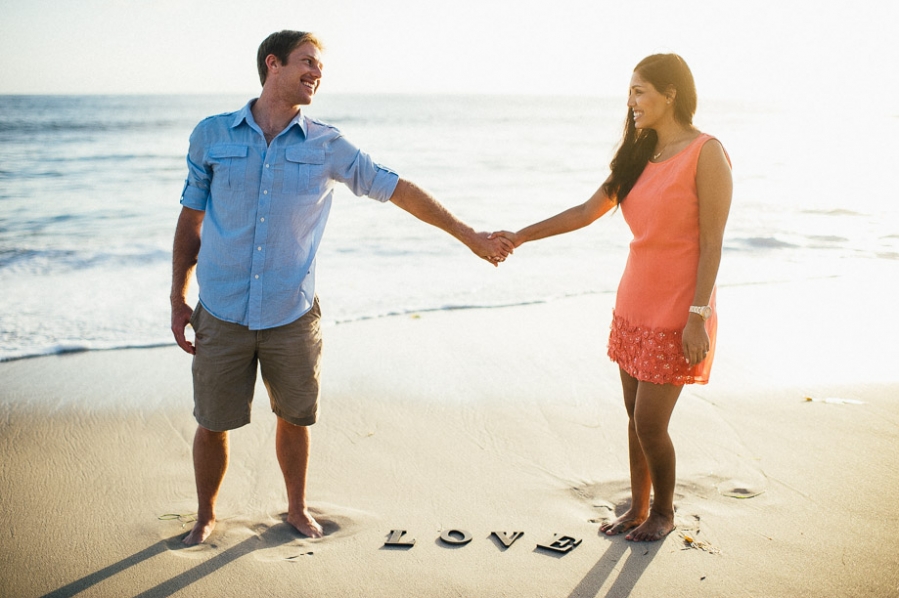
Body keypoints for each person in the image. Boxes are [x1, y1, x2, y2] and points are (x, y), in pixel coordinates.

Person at [170, 30, 512, 546]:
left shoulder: (327, 144)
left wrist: (467, 235)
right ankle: (205, 517)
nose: (316, 73)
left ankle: (296, 508)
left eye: (320, 67)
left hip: (291, 311)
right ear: (273, 64)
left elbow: (396, 187)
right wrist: (179, 295)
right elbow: (190, 218)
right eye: (307, 62)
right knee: (213, 423)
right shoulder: (212, 135)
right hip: (220, 310)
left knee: (294, 417)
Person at [492, 54, 732, 542]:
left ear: (670, 93)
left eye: (640, 91)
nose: (632, 101)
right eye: (631, 91)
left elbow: (712, 243)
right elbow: (585, 212)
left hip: (681, 308)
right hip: (634, 303)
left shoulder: (707, 152)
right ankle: (638, 508)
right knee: (634, 418)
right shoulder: (638, 155)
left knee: (649, 422)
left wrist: (698, 316)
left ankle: (664, 513)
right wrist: (519, 235)